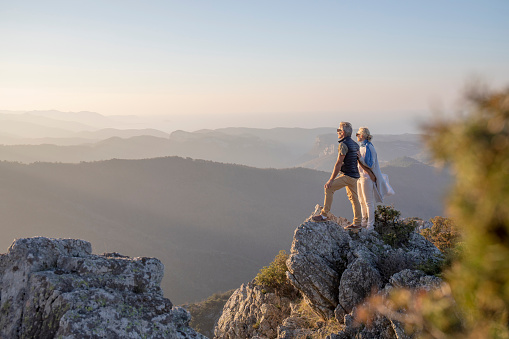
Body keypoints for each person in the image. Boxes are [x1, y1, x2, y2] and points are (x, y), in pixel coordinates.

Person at [312, 122, 362, 229]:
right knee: (354, 198)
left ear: (343, 132)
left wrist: (331, 180)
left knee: (329, 188)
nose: (337, 132)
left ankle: (324, 215)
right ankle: (357, 222)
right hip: (355, 176)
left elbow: (339, 163)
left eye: (338, 130)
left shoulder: (343, 145)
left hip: (347, 176)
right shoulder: (355, 144)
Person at [356, 127, 394, 230]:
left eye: (357, 134)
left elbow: (370, 164)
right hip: (360, 177)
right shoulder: (362, 147)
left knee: (368, 202)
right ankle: (364, 222)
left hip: (367, 178)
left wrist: (359, 159)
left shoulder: (369, 147)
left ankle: (370, 226)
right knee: (361, 201)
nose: (357, 136)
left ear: (362, 135)